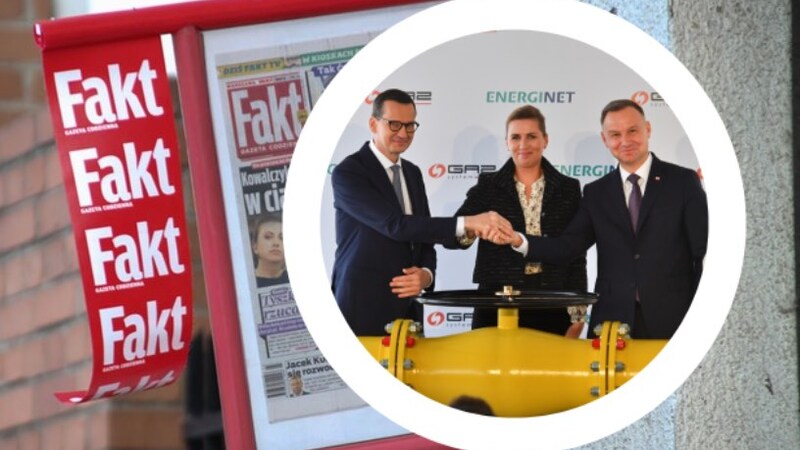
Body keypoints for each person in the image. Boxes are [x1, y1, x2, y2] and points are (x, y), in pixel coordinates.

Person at [493, 99, 708, 339]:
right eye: (615, 134)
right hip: (612, 320)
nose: (625, 141)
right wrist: (519, 240)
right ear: (605, 140)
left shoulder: (683, 182)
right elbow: (568, 246)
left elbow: (705, 252)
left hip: (675, 319)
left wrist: (702, 312)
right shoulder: (596, 192)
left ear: (647, 129)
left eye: (632, 131)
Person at [331, 88, 513, 336]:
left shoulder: (412, 173)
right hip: (361, 307)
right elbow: (395, 225)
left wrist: (426, 276)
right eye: (394, 124)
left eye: (410, 126)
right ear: (373, 124)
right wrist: (468, 222)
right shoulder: (349, 172)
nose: (403, 133)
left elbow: (424, 235)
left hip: (410, 309)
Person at [449, 105, 587, 335]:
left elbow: (575, 254)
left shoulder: (568, 188)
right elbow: (453, 237)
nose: (523, 144)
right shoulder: (488, 186)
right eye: (515, 137)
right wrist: (474, 226)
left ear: (545, 140)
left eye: (531, 136)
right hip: (495, 302)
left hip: (552, 302)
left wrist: (578, 313)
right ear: (507, 142)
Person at [249, 213, 289, 288]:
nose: (276, 243)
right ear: (255, 246)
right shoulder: (246, 281)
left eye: (282, 238)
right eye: (268, 237)